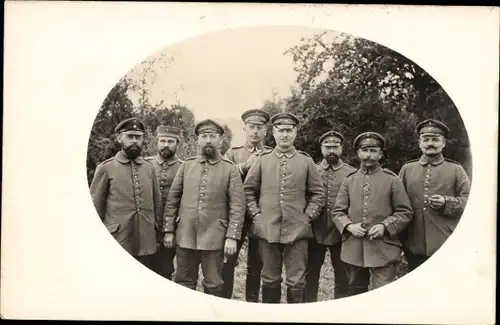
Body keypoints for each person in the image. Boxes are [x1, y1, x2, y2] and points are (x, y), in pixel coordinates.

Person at [243, 112, 325, 304]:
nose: (285, 135)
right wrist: (256, 215)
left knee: (296, 280)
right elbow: (248, 190)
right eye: (281, 130)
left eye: (289, 130)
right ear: (274, 132)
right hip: (267, 229)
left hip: (297, 231)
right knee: (269, 277)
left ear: (295, 132)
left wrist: (307, 217)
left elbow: (318, 194)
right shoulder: (262, 160)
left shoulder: (306, 161)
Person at [162, 119, 246, 297]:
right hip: (186, 236)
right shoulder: (187, 165)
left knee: (214, 285)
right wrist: (169, 230)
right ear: (197, 140)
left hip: (215, 238)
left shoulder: (229, 169)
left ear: (220, 141)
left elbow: (238, 206)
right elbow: (172, 200)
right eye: (204, 136)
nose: (208, 140)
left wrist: (232, 236)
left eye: (213, 136)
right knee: (184, 282)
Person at [332, 132, 413, 296]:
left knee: (382, 293)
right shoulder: (349, 180)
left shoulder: (392, 180)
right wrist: (349, 226)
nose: (368, 155)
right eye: (365, 150)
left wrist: (385, 226)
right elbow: (338, 212)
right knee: (355, 292)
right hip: (354, 248)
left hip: (383, 248)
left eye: (373, 150)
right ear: (358, 153)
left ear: (380, 154)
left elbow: (405, 212)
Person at [90, 117, 163, 269]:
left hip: (146, 241)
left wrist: (157, 234)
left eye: (138, 137)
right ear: (119, 138)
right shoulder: (106, 168)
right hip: (118, 239)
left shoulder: (149, 168)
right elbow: (95, 208)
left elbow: (157, 204)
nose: (134, 141)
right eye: (130, 136)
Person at [399, 119, 471, 272]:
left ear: (444, 143)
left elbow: (470, 203)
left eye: (435, 140)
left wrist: (446, 202)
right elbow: (396, 203)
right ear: (420, 143)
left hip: (445, 241)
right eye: (426, 139)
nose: (430, 143)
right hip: (413, 243)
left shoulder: (456, 170)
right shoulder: (407, 169)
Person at [221, 109, 273, 302]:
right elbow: (222, 175)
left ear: (266, 131)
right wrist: (244, 166)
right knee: (227, 261)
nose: (255, 132)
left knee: (256, 264)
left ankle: (251, 302)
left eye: (259, 128)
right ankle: (224, 301)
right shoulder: (233, 153)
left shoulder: (272, 154)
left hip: (261, 215)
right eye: (251, 127)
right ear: (244, 128)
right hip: (236, 216)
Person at [304, 130, 356, 302]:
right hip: (314, 232)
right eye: (327, 147)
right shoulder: (312, 170)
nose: (331, 151)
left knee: (343, 276)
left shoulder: (351, 173)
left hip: (341, 233)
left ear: (342, 149)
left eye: (335, 147)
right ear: (321, 148)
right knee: (310, 275)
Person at [145, 125, 183, 280]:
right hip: (147, 225)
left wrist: (172, 230)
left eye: (170, 141)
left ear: (177, 144)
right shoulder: (146, 165)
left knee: (165, 269)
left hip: (171, 228)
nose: (166, 144)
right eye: (162, 141)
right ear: (157, 142)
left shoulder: (184, 167)